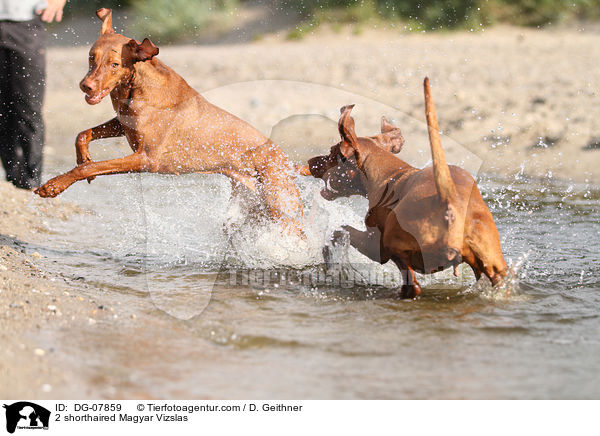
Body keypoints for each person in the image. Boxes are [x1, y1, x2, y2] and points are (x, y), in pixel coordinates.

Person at [0, 0, 66, 189]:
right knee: (2, 111)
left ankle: (32, 182)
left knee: (29, 108)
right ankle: (12, 180)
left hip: (26, 23)